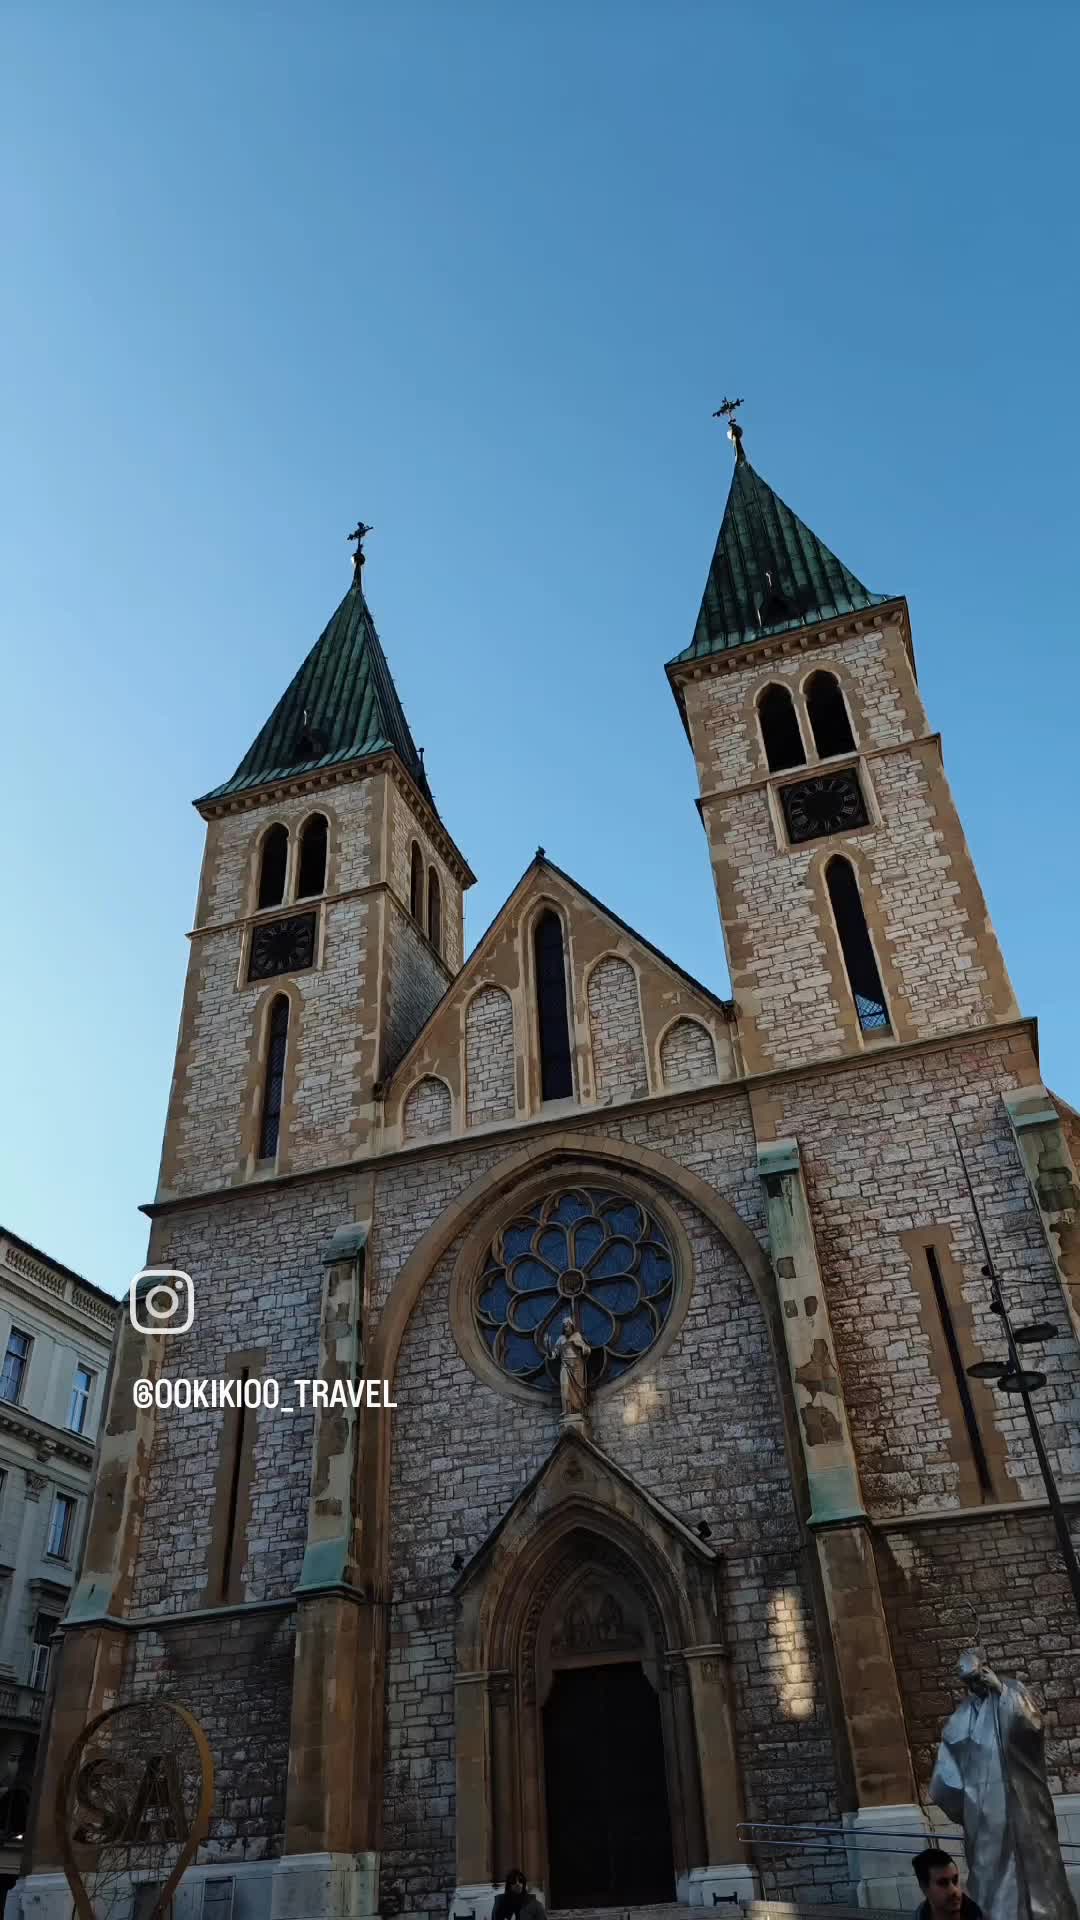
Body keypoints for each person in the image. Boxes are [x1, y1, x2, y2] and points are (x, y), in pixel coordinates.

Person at [912, 1848, 982, 1920]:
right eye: (943, 1883)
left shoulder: (980, 1914)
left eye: (955, 1880)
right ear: (924, 1888)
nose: (954, 1890)